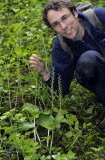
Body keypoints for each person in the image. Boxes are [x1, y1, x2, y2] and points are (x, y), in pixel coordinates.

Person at [29, 0, 105, 131]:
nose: (63, 26)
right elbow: (60, 88)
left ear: (74, 13)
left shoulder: (99, 17)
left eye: (65, 17)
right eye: (56, 24)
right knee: (87, 60)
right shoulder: (61, 47)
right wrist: (44, 72)